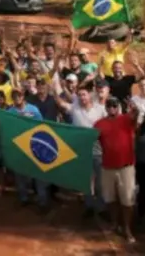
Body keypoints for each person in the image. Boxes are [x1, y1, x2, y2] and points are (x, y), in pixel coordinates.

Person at [55, 85, 107, 219]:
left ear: (90, 95)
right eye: (80, 95)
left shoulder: (100, 109)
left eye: (84, 94)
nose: (82, 97)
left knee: (101, 181)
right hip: (82, 150)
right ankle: (89, 206)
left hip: (99, 149)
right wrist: (53, 90)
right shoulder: (74, 108)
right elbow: (60, 103)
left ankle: (102, 207)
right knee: (87, 181)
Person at [94, 96, 140, 243]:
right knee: (110, 199)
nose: (112, 108)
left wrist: (135, 109)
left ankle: (127, 228)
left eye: (115, 105)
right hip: (107, 167)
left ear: (119, 107)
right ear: (106, 107)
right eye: (109, 105)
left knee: (127, 201)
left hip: (126, 167)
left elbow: (135, 116)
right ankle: (115, 223)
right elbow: (88, 139)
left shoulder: (126, 119)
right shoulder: (98, 124)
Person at [6, 89, 51, 213]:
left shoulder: (33, 109)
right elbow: (7, 127)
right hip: (19, 145)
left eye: (19, 95)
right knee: (20, 173)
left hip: (34, 144)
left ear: (23, 96)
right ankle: (23, 197)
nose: (17, 98)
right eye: (14, 96)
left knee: (38, 173)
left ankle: (42, 200)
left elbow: (41, 125)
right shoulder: (10, 112)